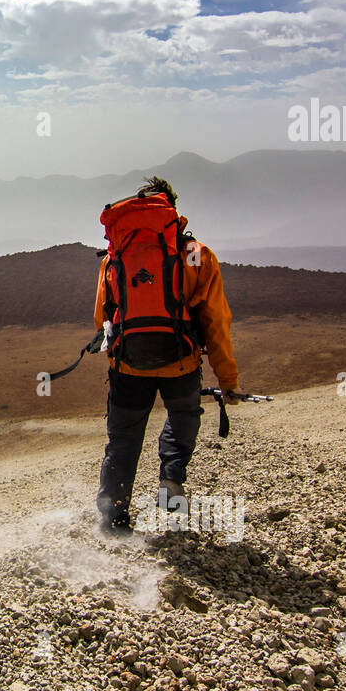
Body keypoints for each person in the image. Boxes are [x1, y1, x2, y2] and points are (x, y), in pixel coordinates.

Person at [94, 176, 243, 534]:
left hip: (127, 364)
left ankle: (113, 519)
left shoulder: (116, 256)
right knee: (183, 414)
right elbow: (216, 323)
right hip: (181, 362)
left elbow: (102, 316)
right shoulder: (197, 255)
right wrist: (228, 380)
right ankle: (171, 478)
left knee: (124, 438)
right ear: (172, 210)